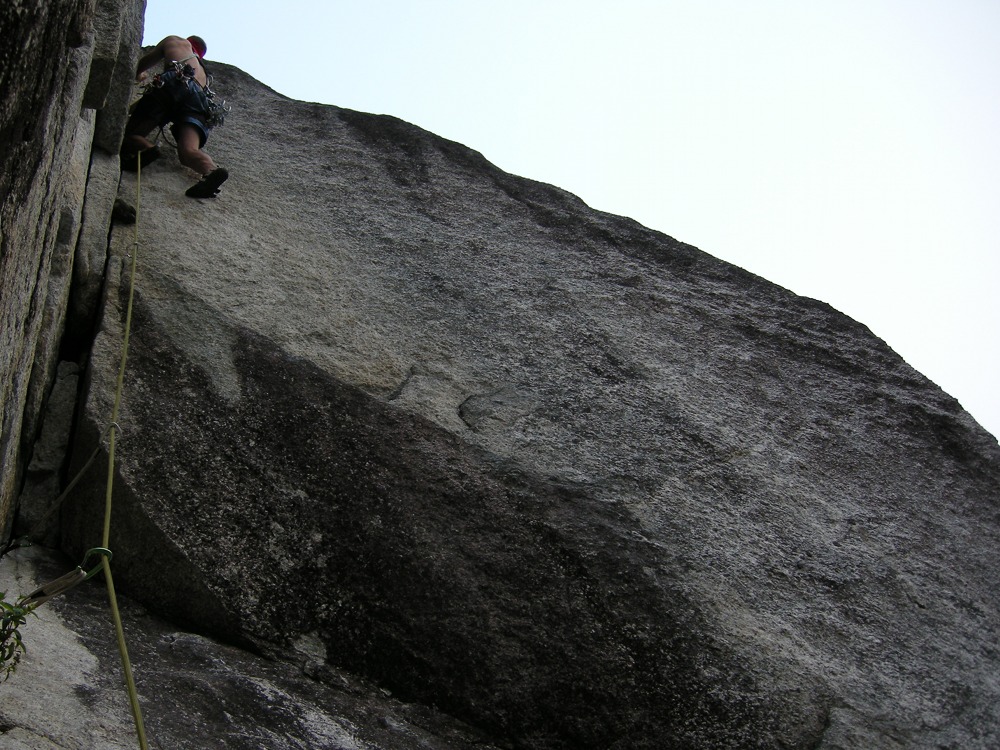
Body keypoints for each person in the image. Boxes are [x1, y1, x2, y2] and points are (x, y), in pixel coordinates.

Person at [121, 35, 229, 198]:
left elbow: (141, 65)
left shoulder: (177, 41)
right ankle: (210, 171)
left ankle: (146, 148)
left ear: (189, 41)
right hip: (199, 101)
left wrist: (140, 73)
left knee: (130, 133)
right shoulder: (204, 75)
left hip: (175, 81)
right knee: (188, 151)